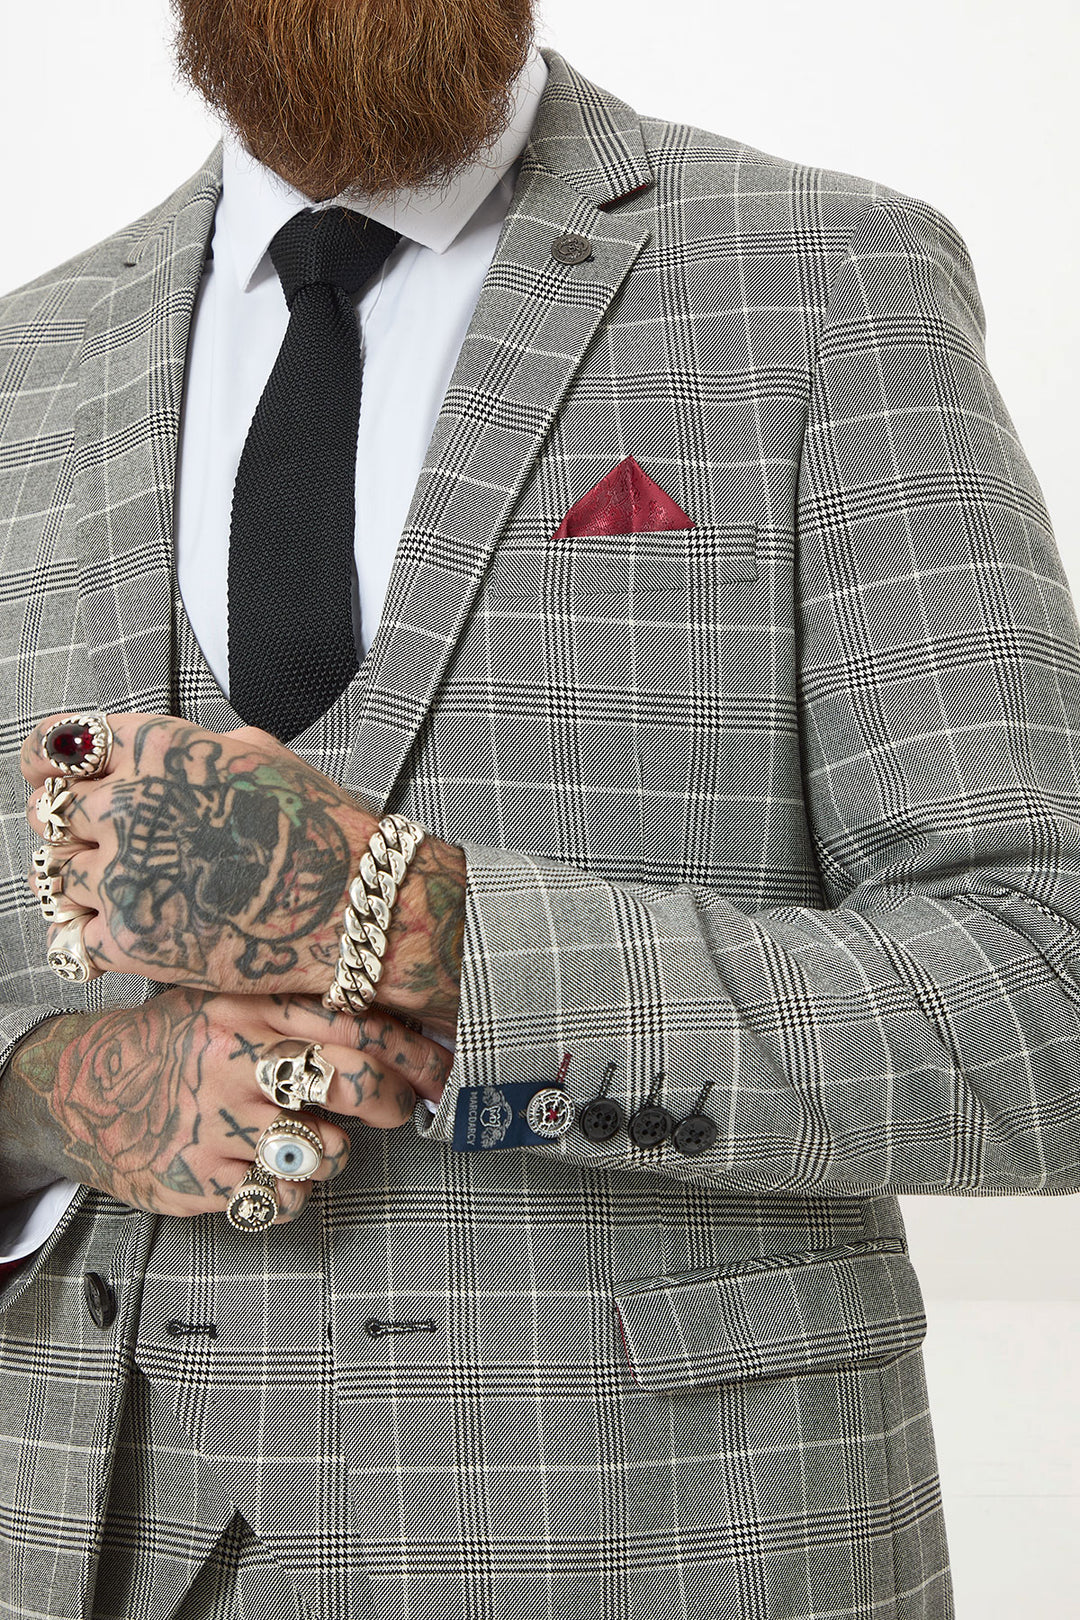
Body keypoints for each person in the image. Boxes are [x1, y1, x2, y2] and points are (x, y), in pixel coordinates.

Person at [1, 0, 1078, 1615]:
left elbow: (1044, 994)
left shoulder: (828, 280)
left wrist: (422, 925)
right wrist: (52, 1099)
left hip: (669, 1552)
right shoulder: (26, 368)